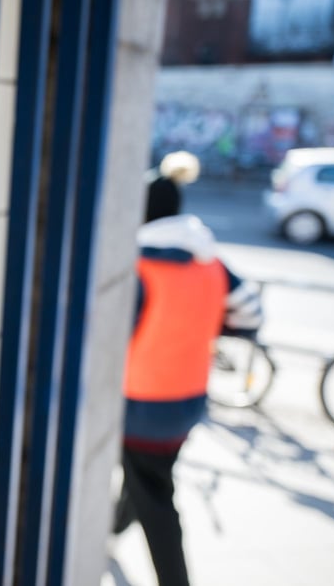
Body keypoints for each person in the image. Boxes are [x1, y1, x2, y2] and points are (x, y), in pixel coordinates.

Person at [114, 171, 262, 586]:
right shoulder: (211, 262)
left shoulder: (137, 265)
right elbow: (251, 315)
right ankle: (115, 523)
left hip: (141, 401)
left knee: (155, 495)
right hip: (189, 398)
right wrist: (206, 324)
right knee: (148, 475)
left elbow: (111, 338)